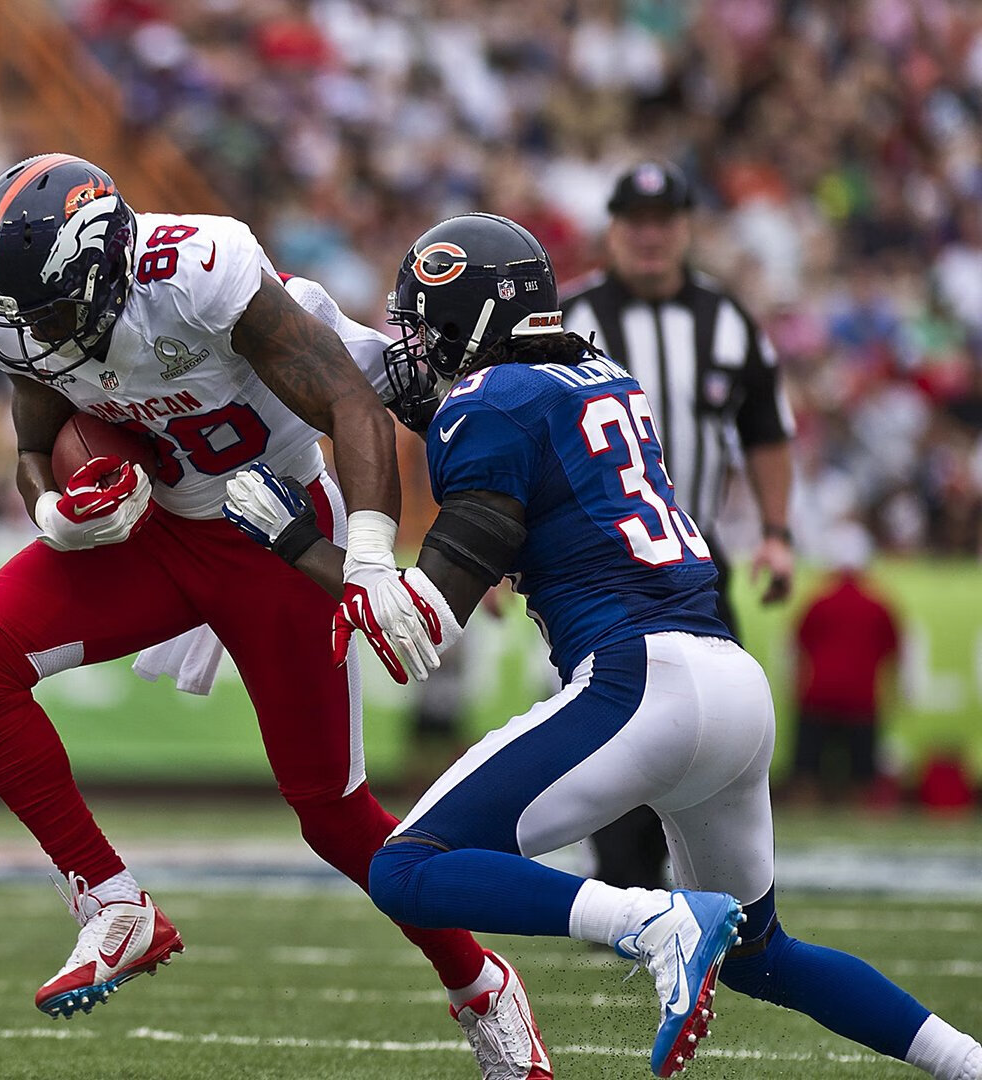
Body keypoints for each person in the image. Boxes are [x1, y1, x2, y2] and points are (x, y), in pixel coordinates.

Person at [224, 211, 982, 1079]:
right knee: (762, 954)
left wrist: (296, 543)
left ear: (468, 326)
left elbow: (419, 632)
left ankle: (650, 922)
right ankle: (967, 1062)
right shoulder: (601, 374)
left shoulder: (490, 404)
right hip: (732, 686)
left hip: (641, 682)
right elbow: (494, 416)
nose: (416, 348)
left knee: (408, 869)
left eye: (425, 326)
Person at [0, 153, 551, 1080]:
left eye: (51, 310)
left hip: (279, 530)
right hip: (157, 534)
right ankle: (112, 903)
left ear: (103, 273)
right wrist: (53, 509)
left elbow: (354, 407)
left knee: (336, 820)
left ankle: (481, 985)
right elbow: (30, 439)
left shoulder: (200, 274)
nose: (33, 335)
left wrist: (374, 560)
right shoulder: (35, 322)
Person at [562, 161, 797, 892]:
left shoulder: (728, 322)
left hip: (699, 557)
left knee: (719, 726)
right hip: (598, 562)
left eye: (664, 222)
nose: (650, 236)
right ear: (613, 229)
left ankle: (710, 886)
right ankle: (624, 885)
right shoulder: (569, 320)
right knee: (612, 719)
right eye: (635, 221)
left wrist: (778, 532)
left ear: (687, 228)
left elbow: (765, 431)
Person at [789, 526, 899, 805]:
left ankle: (808, 807)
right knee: (863, 778)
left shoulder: (818, 601)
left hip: (819, 694)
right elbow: (894, 653)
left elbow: (797, 648)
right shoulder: (880, 604)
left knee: (806, 772)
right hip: (862, 699)